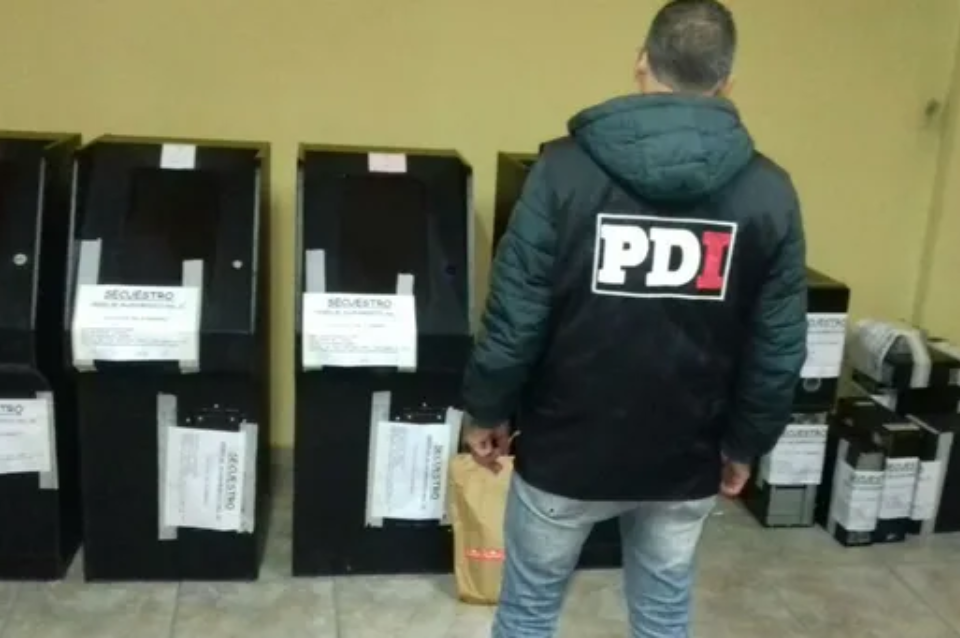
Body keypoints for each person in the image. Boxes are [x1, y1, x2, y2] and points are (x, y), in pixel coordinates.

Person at [460, 1, 808, 636]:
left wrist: (487, 409)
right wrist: (745, 443)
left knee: (529, 613)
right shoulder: (770, 192)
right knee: (662, 615)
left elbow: (515, 315)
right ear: (727, 83)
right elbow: (777, 349)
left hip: (565, 452)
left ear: (642, 63)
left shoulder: (561, 171)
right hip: (686, 458)